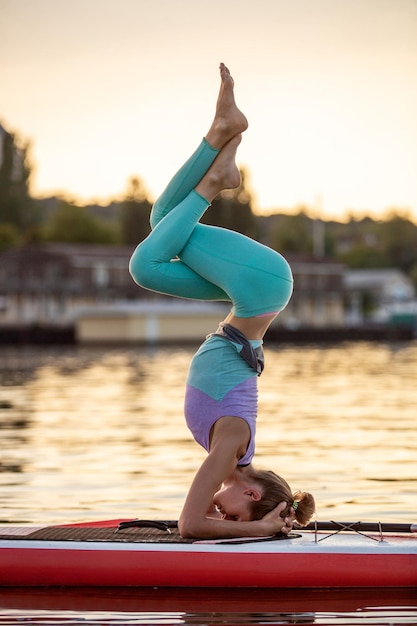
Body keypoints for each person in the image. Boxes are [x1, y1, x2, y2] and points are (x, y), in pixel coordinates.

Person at [129, 63, 315, 539]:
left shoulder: (231, 452)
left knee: (164, 219)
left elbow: (202, 521)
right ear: (252, 494)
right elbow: (190, 527)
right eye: (232, 517)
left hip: (251, 295)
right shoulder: (230, 448)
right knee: (145, 264)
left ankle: (221, 134)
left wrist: (262, 525)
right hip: (262, 287)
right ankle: (215, 181)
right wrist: (266, 532)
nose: (221, 516)